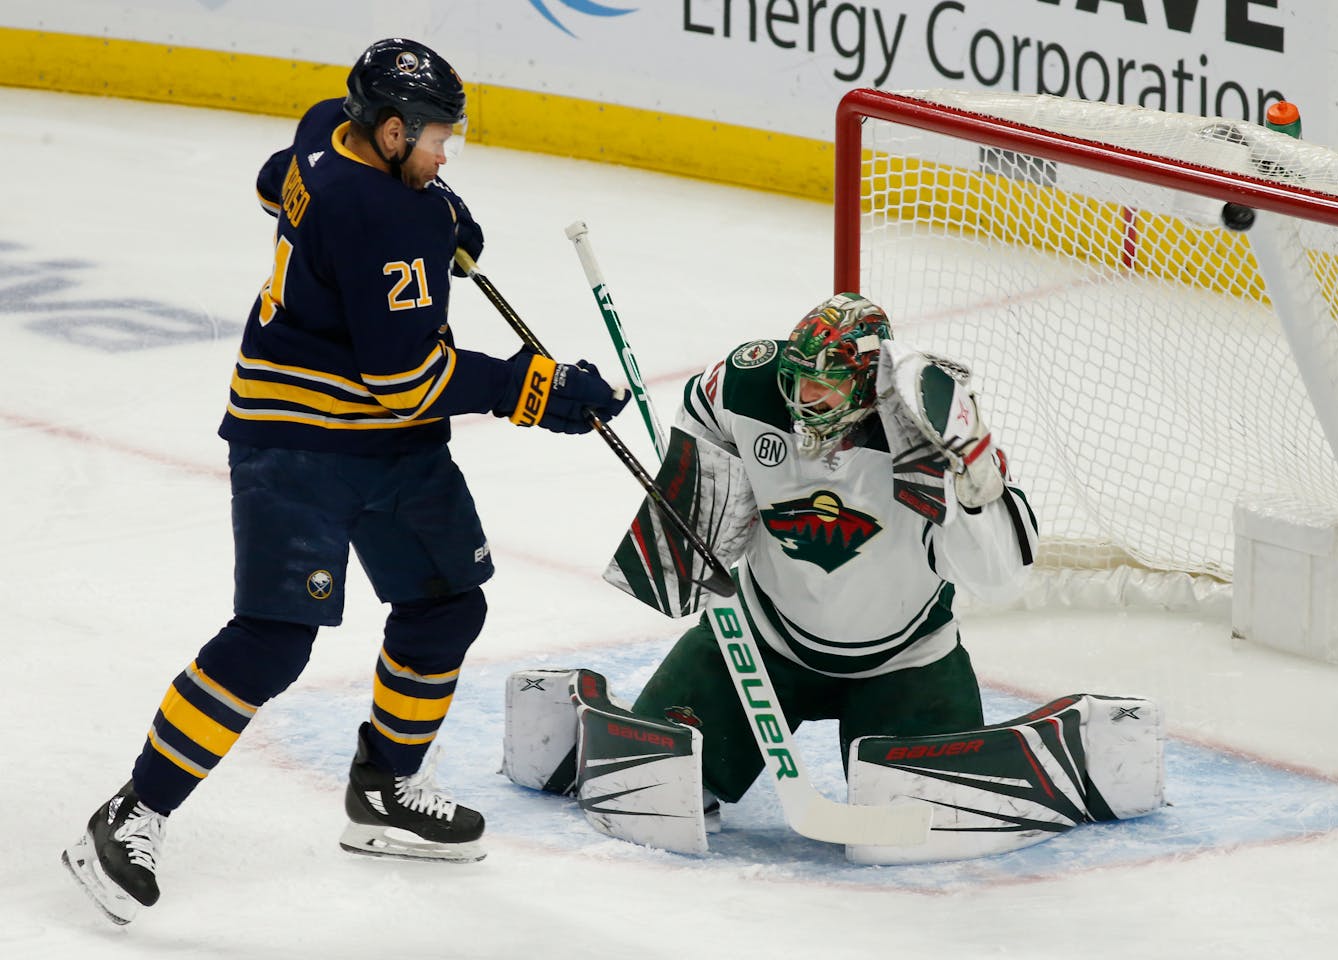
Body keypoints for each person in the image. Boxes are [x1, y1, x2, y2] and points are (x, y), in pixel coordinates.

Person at [61, 37, 628, 924]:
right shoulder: (385, 219)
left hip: (391, 448)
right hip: (298, 441)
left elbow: (271, 179)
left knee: (447, 603)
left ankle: (385, 787)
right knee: (274, 639)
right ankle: (132, 811)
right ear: (393, 130)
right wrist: (536, 387)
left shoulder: (330, 130)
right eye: (440, 139)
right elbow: (405, 380)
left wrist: (440, 217)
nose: (449, 154)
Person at [625, 292, 1038, 819]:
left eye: (825, 383)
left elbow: (999, 582)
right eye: (798, 378)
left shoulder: (926, 433)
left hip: (906, 659)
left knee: (928, 821)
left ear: (868, 383)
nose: (804, 397)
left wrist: (979, 492)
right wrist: (696, 486)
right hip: (760, 642)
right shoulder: (746, 387)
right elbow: (698, 484)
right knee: (646, 789)